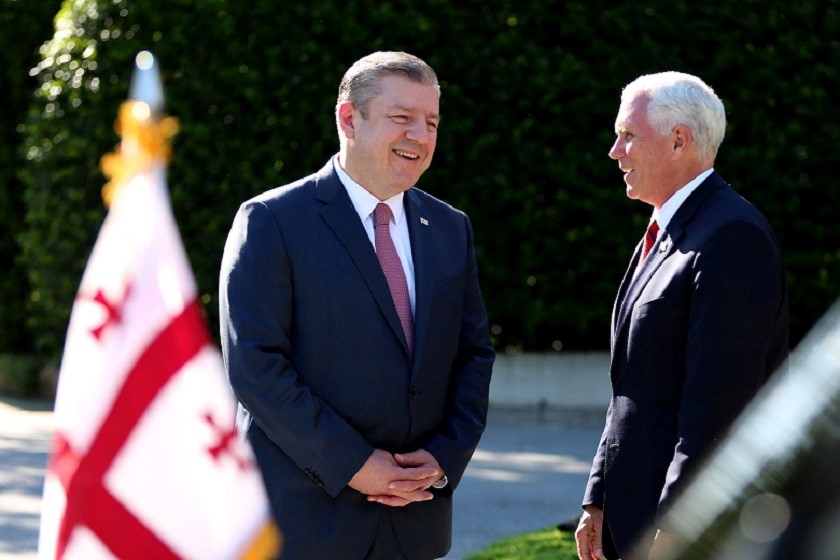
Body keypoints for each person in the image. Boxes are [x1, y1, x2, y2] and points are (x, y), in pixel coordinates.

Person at [219, 51, 495, 560]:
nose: (420, 135)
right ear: (349, 119)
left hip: (414, 521)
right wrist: (353, 464)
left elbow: (473, 353)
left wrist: (443, 457)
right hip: (301, 524)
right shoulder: (271, 221)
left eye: (431, 122)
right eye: (402, 117)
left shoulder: (450, 228)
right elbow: (256, 367)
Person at [575, 72, 789, 560]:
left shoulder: (733, 238)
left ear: (678, 140)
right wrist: (598, 497)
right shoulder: (668, 228)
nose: (615, 151)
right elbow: (631, 387)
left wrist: (679, 527)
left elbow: (719, 408)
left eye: (628, 135)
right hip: (633, 519)